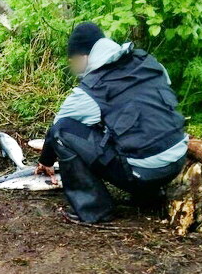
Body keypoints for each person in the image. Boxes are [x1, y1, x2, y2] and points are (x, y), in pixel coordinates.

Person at [36, 22, 188, 223]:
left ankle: (94, 209)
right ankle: (150, 196)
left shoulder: (92, 89)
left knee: (64, 131)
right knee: (128, 127)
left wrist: (46, 160)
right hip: (177, 161)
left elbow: (58, 129)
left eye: (73, 61)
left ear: (83, 57)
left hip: (143, 174)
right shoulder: (148, 63)